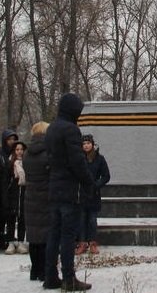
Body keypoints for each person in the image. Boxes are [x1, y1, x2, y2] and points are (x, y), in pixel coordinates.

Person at [44, 93, 95, 291]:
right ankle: (68, 278)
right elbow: (77, 161)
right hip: (69, 190)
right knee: (67, 237)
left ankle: (50, 276)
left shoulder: (52, 128)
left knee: (54, 235)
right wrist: (89, 182)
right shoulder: (71, 130)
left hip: (54, 187)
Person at [23, 121, 51, 282]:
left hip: (30, 196)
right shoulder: (48, 153)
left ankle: (35, 269)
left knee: (34, 236)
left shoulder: (27, 153)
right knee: (46, 236)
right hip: (45, 197)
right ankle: (44, 271)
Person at [75, 134, 110, 256]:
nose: (86, 146)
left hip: (93, 194)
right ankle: (82, 242)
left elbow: (106, 176)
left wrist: (96, 185)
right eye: (84, 144)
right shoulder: (78, 159)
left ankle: (93, 242)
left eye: (88, 143)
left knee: (92, 220)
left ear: (92, 144)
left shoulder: (100, 159)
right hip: (80, 193)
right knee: (81, 219)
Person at [0, 128, 19, 251]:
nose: (12, 142)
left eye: (14, 139)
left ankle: (10, 237)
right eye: (9, 139)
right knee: (0, 216)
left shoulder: (17, 154)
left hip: (13, 188)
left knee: (11, 215)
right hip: (0, 188)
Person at [4, 140, 28, 254]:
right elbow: (5, 180)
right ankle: (11, 241)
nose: (19, 152)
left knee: (23, 218)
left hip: (24, 193)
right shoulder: (9, 163)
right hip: (12, 194)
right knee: (11, 219)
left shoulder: (28, 163)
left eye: (21, 150)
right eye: (17, 150)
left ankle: (21, 241)